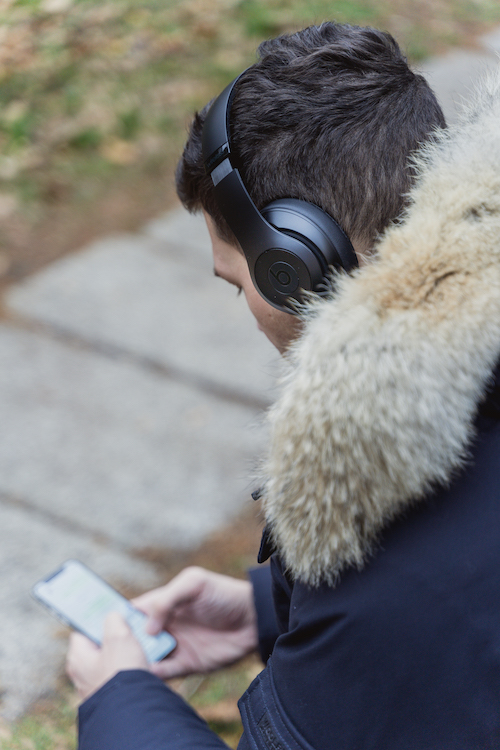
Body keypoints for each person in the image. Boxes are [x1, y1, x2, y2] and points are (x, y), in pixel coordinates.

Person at [66, 20, 500, 748]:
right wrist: (267, 607)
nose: (253, 314)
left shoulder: (396, 598)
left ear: (295, 268)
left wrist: (119, 703)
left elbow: (419, 612)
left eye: (244, 286)